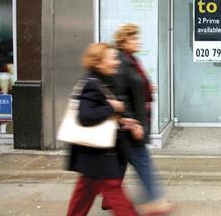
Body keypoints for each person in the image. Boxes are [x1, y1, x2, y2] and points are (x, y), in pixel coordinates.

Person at [66, 43, 139, 216]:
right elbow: (86, 116)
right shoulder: (91, 84)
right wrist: (112, 107)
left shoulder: (98, 80)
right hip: (97, 155)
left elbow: (100, 116)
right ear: (99, 62)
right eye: (112, 58)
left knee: (83, 195)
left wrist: (125, 122)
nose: (116, 62)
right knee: (115, 194)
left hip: (91, 155)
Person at [113, 23, 173, 215]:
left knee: (121, 162)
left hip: (135, 121)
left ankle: (109, 197)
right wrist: (132, 122)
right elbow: (120, 96)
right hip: (131, 126)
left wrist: (147, 90)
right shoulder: (121, 62)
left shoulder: (130, 59)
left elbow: (134, 86)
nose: (138, 41)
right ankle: (154, 200)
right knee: (143, 161)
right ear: (123, 41)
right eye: (133, 38)